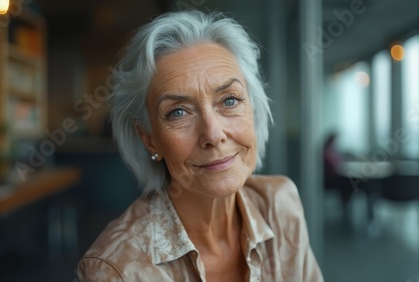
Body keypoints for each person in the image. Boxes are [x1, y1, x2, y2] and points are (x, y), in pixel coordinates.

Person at [77, 11, 324, 282]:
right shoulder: (115, 270)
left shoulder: (281, 204)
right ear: (149, 138)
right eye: (178, 112)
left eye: (229, 100)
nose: (213, 134)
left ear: (252, 107)